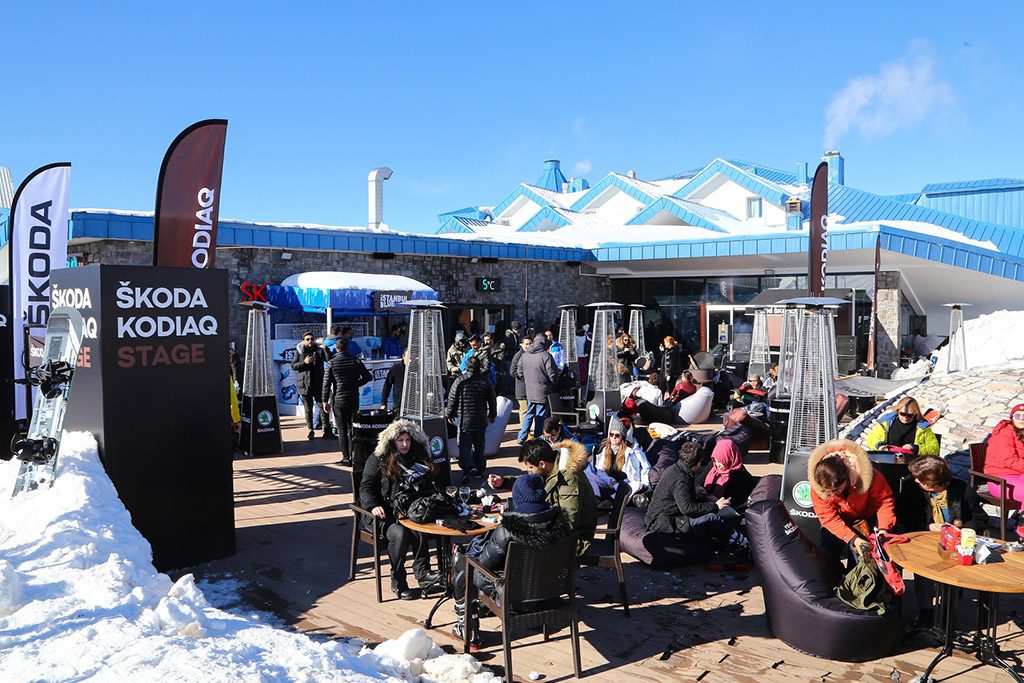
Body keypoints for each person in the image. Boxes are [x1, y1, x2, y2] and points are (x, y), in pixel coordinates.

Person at [451, 474, 573, 648]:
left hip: (514, 596)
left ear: (518, 499)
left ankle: (467, 630)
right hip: (549, 592)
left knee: (463, 564)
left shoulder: (508, 530)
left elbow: (482, 565)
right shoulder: (562, 524)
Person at [894, 455, 988, 627]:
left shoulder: (962, 490)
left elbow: (980, 519)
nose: (916, 481)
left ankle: (947, 611)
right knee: (923, 567)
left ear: (933, 483)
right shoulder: (911, 487)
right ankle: (926, 610)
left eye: (920, 479)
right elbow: (902, 515)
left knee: (953, 568)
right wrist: (928, 526)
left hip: (954, 542)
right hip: (923, 537)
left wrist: (960, 530)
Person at [360, 419, 443, 600]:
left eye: (408, 440)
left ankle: (423, 574)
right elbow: (365, 487)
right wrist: (372, 506)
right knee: (401, 534)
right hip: (383, 513)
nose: (405, 444)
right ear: (392, 441)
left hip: (409, 510)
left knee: (420, 527)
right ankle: (398, 580)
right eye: (400, 440)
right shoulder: (378, 458)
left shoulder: (416, 456)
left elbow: (431, 483)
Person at [643, 441, 750, 560]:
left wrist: (704, 497)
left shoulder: (676, 469)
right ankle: (743, 546)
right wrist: (715, 506)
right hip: (665, 523)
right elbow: (687, 508)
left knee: (709, 515)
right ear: (697, 463)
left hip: (663, 516)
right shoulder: (681, 480)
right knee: (712, 518)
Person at [488, 439, 597, 555]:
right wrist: (504, 482)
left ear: (542, 464)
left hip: (575, 540)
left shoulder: (569, 478)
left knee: (513, 548)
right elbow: (528, 483)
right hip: (554, 528)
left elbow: (569, 522)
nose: (529, 471)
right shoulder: (547, 467)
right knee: (509, 540)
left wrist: (531, 533)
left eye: (531, 467)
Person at [807, 439, 897, 565]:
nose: (833, 494)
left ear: (847, 478)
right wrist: (853, 538)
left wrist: (883, 529)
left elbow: (884, 502)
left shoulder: (871, 476)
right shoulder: (818, 487)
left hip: (866, 517)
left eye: (836, 490)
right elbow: (828, 517)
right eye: (828, 492)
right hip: (836, 521)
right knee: (828, 558)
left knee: (862, 561)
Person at [445, 355, 497, 483]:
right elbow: (492, 400)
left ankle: (468, 469)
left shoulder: (460, 381)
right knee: (479, 445)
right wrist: (492, 415)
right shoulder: (485, 381)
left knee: (464, 446)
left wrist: (449, 414)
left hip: (464, 420)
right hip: (481, 419)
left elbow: (452, 399)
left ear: (467, 366)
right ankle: (480, 468)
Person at [322, 339, 373, 466]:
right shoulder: (355, 360)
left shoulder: (331, 363)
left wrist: (324, 400)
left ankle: (346, 458)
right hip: (353, 397)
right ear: (347, 348)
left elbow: (326, 384)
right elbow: (368, 377)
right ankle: (354, 456)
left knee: (342, 429)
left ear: (336, 349)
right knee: (352, 428)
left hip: (339, 399)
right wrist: (356, 384)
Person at [516, 333, 560, 444]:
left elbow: (519, 373)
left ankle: (521, 437)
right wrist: (554, 384)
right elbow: (553, 375)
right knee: (540, 416)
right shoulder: (546, 356)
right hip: (543, 390)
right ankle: (538, 438)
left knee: (529, 414)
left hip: (529, 391)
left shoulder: (525, 355)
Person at [591, 417, 651, 497]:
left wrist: (645, 484)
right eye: (611, 435)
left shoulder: (633, 450)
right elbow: (600, 471)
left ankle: (613, 499)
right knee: (589, 475)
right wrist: (611, 482)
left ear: (622, 436)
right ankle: (596, 497)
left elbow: (646, 467)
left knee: (637, 485)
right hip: (609, 483)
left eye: (617, 435)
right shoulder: (604, 449)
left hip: (626, 484)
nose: (613, 437)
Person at [864, 396, 939, 456]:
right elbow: (870, 439)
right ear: (898, 411)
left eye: (910, 415)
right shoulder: (886, 423)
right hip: (887, 460)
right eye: (902, 414)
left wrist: (916, 448)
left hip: (912, 464)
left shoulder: (923, 428)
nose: (905, 418)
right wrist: (880, 446)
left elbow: (935, 449)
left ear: (915, 414)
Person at [983, 402, 1024, 508]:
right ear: (1012, 418)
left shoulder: (1021, 433)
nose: (1021, 419)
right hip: (1000, 480)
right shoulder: (1004, 432)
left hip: (1019, 475)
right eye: (1018, 416)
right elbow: (1009, 460)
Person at [292, 331, 330, 440]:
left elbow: (328, 359)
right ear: (303, 341)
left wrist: (325, 348)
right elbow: (294, 366)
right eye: (307, 339)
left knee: (323, 406)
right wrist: (304, 362)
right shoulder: (299, 351)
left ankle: (326, 430)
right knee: (308, 409)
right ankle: (310, 430)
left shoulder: (319, 349)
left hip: (318, 383)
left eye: (312, 339)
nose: (310, 341)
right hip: (305, 384)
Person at [702, 440, 756, 509]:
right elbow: (699, 482)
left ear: (729, 458)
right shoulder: (713, 467)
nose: (717, 465)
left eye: (720, 461)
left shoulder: (740, 476)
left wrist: (715, 501)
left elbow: (737, 501)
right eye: (715, 460)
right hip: (710, 505)